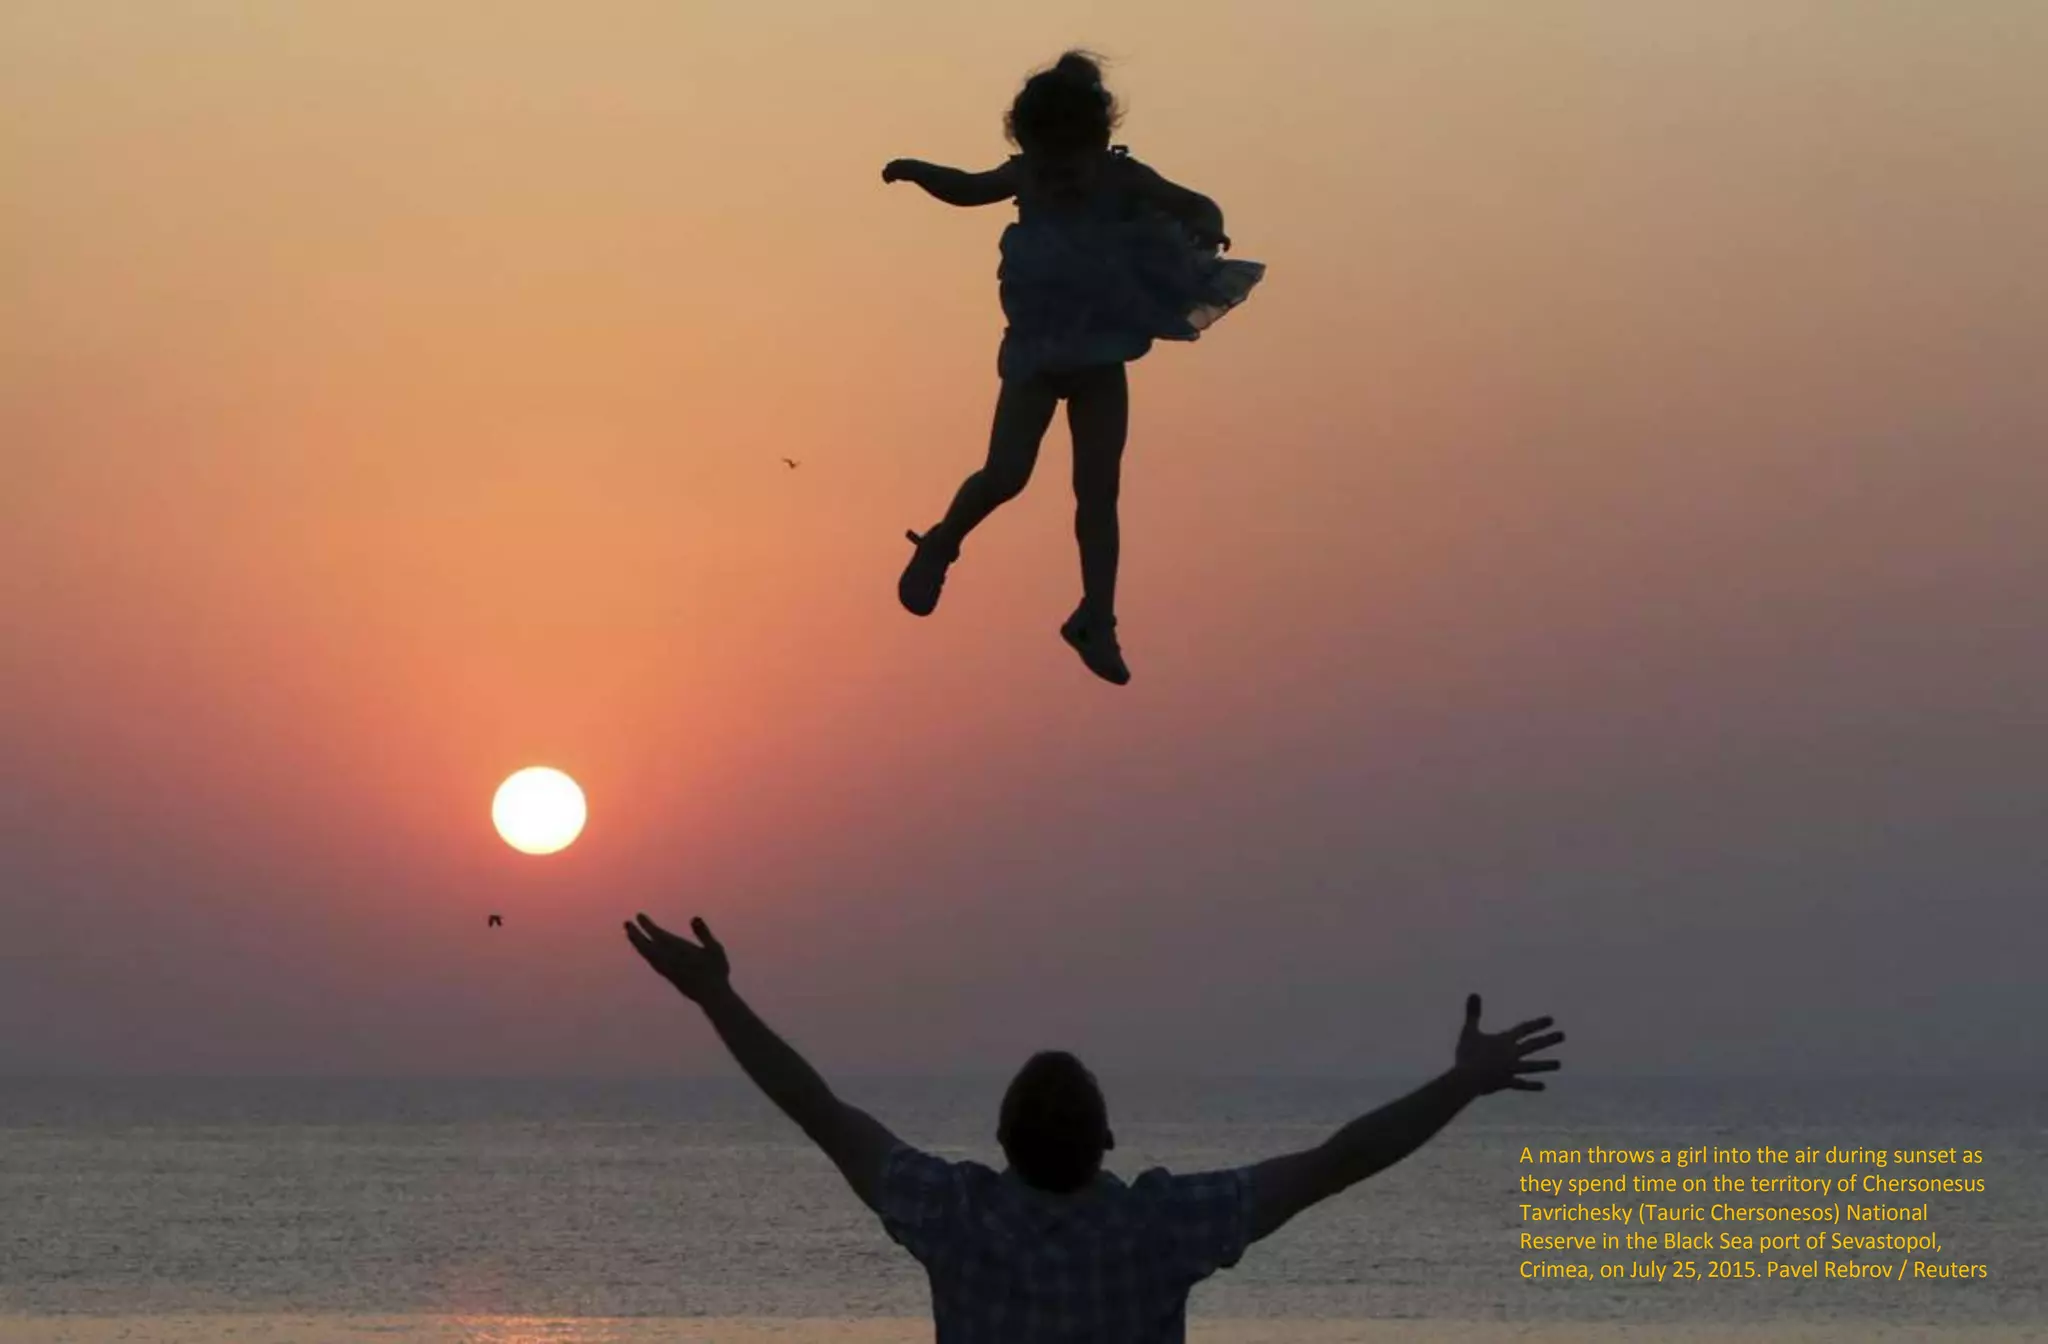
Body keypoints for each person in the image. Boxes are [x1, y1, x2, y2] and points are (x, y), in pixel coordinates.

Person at [624, 913, 1564, 1344]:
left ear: (998, 1146)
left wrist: (717, 997)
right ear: (1110, 1143)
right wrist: (1461, 1085)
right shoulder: (1159, 1229)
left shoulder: (952, 1216)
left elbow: (817, 1109)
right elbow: (1337, 1162)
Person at [881, 51, 1266, 686]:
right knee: (1006, 474)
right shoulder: (1027, 174)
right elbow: (970, 188)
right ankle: (941, 544)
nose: (1060, 168)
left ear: (1095, 139)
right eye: (1045, 151)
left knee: (1098, 491)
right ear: (1029, 141)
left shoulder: (1121, 178)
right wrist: (917, 171)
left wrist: (1206, 230)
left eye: (1069, 152)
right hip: (1036, 353)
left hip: (1101, 352)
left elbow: (1196, 202)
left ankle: (1097, 617)